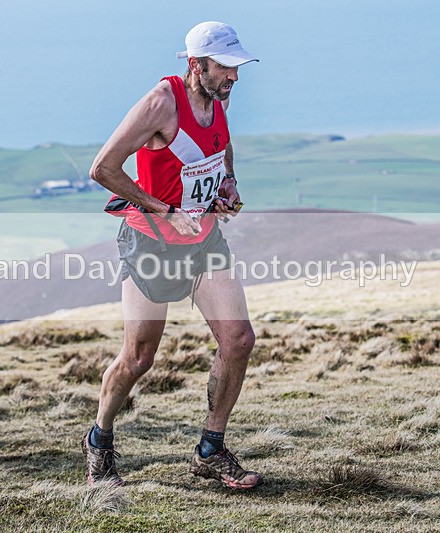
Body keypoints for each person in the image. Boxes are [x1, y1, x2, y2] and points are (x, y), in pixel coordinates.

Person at [83, 21, 262, 490]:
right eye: (224, 68)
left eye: (236, 68)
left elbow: (221, 144)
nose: (234, 78)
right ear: (195, 64)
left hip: (203, 240)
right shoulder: (160, 103)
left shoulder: (220, 97)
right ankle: (99, 440)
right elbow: (102, 168)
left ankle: (210, 448)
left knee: (239, 340)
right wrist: (165, 210)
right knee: (138, 359)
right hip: (151, 243)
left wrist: (228, 183)